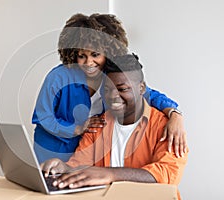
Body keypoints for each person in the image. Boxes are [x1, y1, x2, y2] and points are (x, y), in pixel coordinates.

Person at [32, 13, 187, 163]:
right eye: (81, 56)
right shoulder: (58, 77)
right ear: (72, 54)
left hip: (87, 151)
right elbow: (42, 117)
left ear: (108, 52)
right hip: (52, 150)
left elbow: (148, 95)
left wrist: (175, 115)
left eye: (95, 54)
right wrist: (77, 129)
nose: (88, 62)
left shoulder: (112, 76)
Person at [41, 54, 188, 199]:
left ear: (141, 88)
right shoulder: (99, 124)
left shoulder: (166, 127)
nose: (113, 96)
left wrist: (111, 174)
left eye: (122, 89)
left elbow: (168, 173)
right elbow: (80, 164)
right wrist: (64, 168)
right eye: (107, 89)